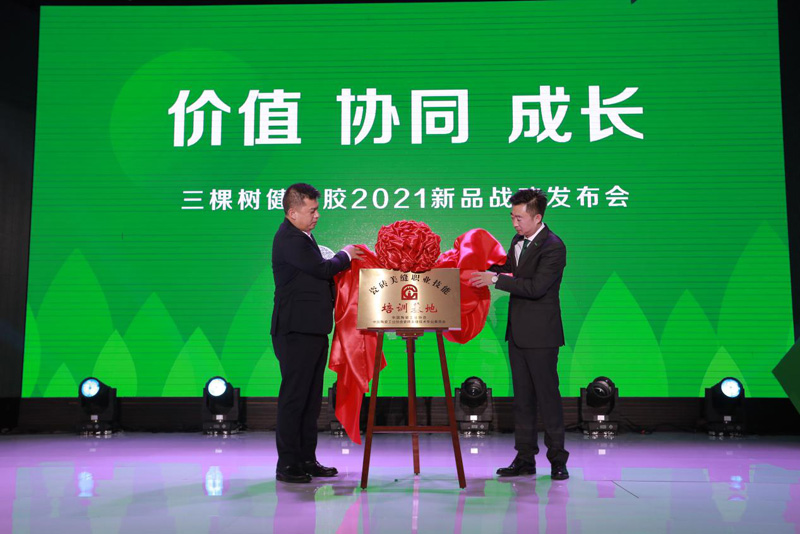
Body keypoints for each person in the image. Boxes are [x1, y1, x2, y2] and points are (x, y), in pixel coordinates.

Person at [469, 188, 569, 480]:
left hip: (542, 335)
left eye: (519, 218)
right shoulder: (517, 241)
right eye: (512, 217)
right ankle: (525, 458)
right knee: (522, 399)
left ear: (537, 218)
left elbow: (535, 287)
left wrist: (495, 279)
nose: (514, 223)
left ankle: (558, 460)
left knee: (548, 398)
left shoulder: (554, 246)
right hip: (518, 333)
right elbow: (510, 269)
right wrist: (483, 268)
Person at [270, 183, 363, 483]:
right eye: (311, 211)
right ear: (292, 212)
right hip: (295, 331)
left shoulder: (304, 236)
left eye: (317, 209)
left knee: (310, 400)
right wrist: (346, 255)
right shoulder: (289, 239)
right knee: (294, 398)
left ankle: (307, 459)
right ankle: (287, 464)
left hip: (312, 329)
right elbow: (323, 269)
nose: (317, 215)